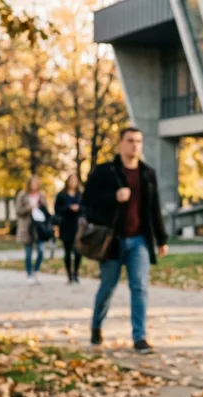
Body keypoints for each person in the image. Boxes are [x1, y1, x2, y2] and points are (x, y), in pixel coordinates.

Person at [83, 127, 170, 354]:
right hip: (112, 240)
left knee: (139, 287)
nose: (135, 145)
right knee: (107, 287)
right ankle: (96, 327)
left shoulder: (147, 173)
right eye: (130, 141)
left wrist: (161, 239)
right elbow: (88, 201)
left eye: (138, 141)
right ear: (121, 143)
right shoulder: (106, 171)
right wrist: (113, 198)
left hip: (139, 240)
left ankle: (139, 337)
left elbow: (154, 208)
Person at [15, 179, 52, 284]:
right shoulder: (22, 195)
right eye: (32, 183)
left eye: (36, 183)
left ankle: (36, 270)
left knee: (41, 251)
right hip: (27, 227)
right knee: (28, 253)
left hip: (40, 227)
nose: (34, 185)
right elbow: (18, 211)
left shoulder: (41, 195)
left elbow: (46, 211)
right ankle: (29, 274)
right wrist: (29, 208)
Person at [56, 174, 84, 284]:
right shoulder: (61, 195)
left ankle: (76, 273)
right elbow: (57, 209)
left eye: (75, 180)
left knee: (78, 252)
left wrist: (79, 208)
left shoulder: (80, 195)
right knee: (67, 252)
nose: (73, 182)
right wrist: (68, 208)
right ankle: (69, 275)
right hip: (66, 226)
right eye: (71, 180)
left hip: (78, 226)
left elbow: (86, 208)